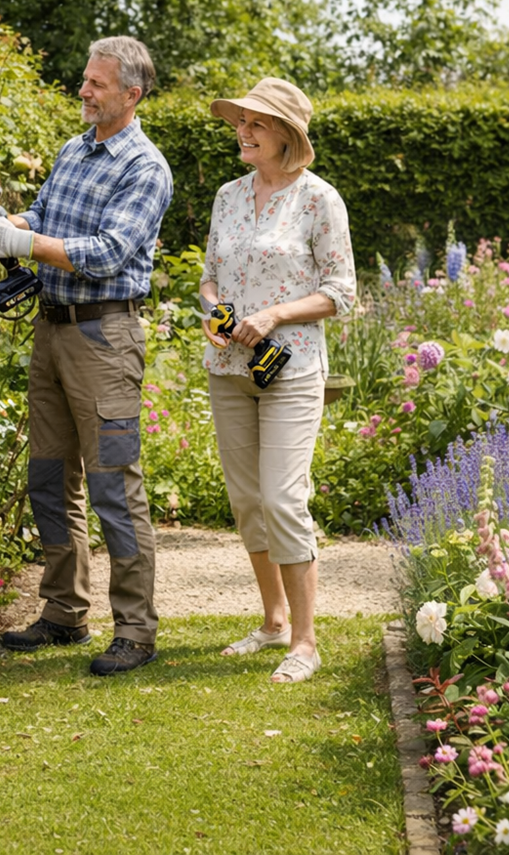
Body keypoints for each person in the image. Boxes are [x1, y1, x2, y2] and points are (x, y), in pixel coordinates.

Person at [0, 37, 173, 676]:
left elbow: (109, 251)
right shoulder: (73, 148)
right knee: (51, 479)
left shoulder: (145, 167)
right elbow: (51, 219)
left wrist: (24, 242)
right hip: (52, 331)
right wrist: (4, 224)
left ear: (131, 94)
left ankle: (136, 631)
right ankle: (63, 612)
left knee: (115, 482)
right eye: (84, 80)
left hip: (105, 339)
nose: (84, 91)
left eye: (97, 84)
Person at [199, 77, 356, 683]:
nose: (242, 131)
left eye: (256, 123)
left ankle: (306, 641)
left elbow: (341, 292)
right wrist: (216, 310)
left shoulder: (321, 200)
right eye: (240, 121)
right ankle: (271, 621)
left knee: (284, 498)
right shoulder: (228, 196)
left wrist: (272, 315)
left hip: (290, 370)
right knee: (247, 502)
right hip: (228, 369)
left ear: (287, 134)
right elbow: (210, 276)